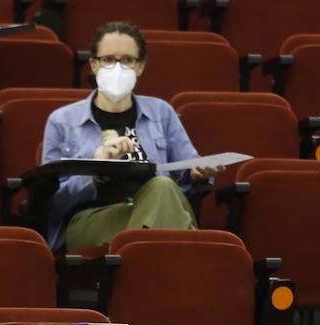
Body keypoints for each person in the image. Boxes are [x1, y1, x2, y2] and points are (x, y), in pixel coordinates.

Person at [41, 21, 222, 251]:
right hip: (92, 220)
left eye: (127, 60)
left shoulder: (161, 113)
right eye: (108, 59)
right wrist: (95, 172)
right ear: (94, 65)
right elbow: (51, 203)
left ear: (140, 67)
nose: (117, 68)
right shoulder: (62, 121)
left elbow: (189, 172)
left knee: (162, 189)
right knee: (165, 191)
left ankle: (140, 268)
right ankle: (182, 262)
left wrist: (199, 174)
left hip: (156, 206)